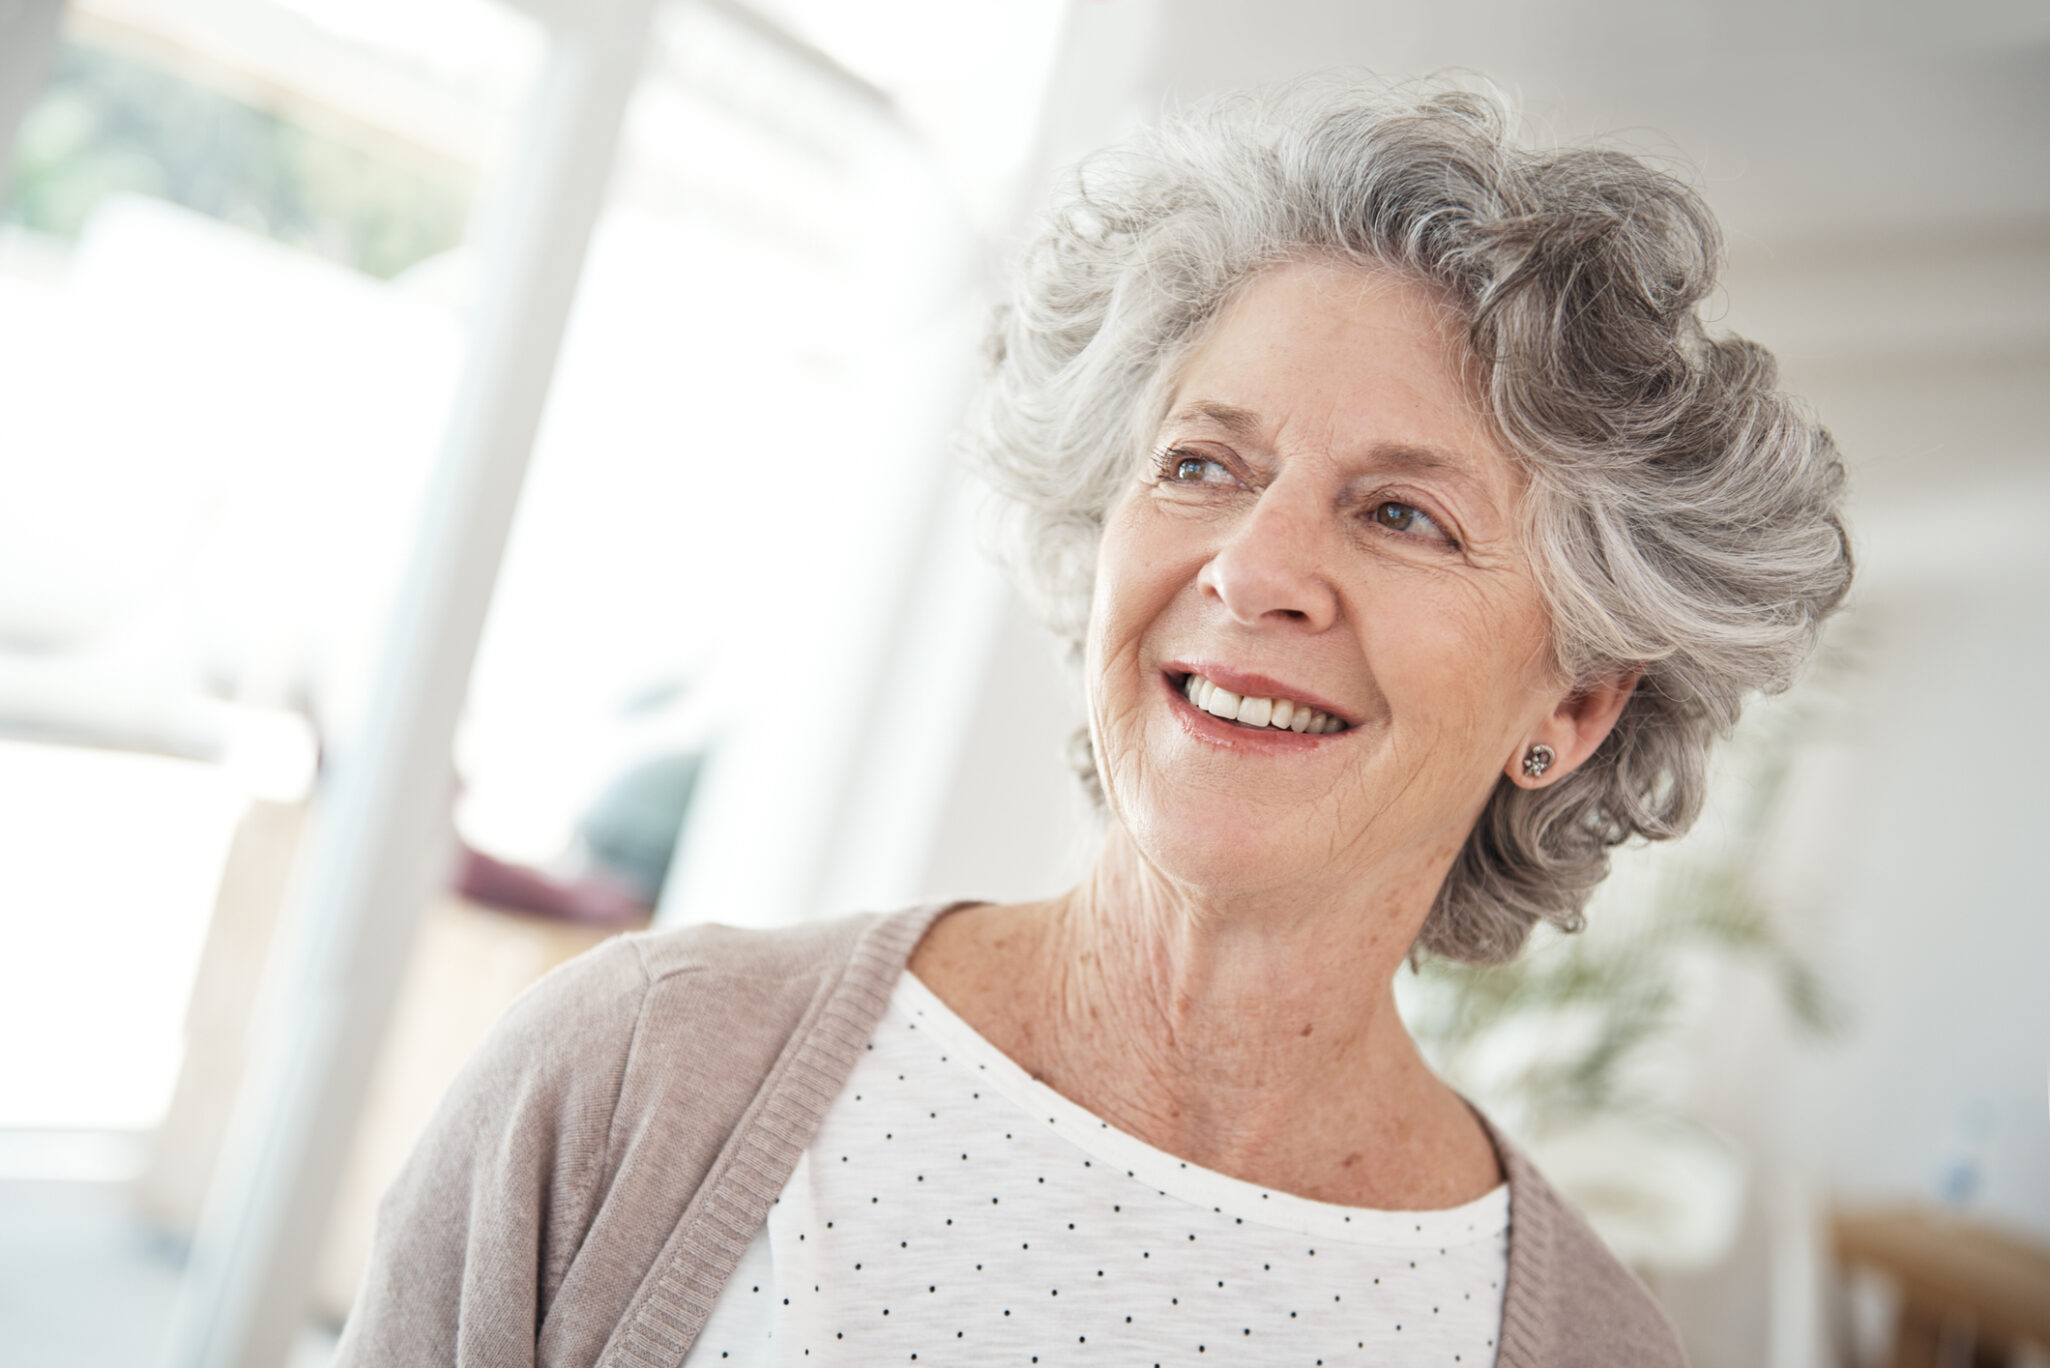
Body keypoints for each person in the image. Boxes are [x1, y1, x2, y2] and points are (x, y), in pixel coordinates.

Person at [336, 77, 1851, 1367]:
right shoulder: (638, 1072)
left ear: (1574, 706)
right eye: (1201, 464)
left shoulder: (1589, 1345)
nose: (1253, 567)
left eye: (1400, 513)